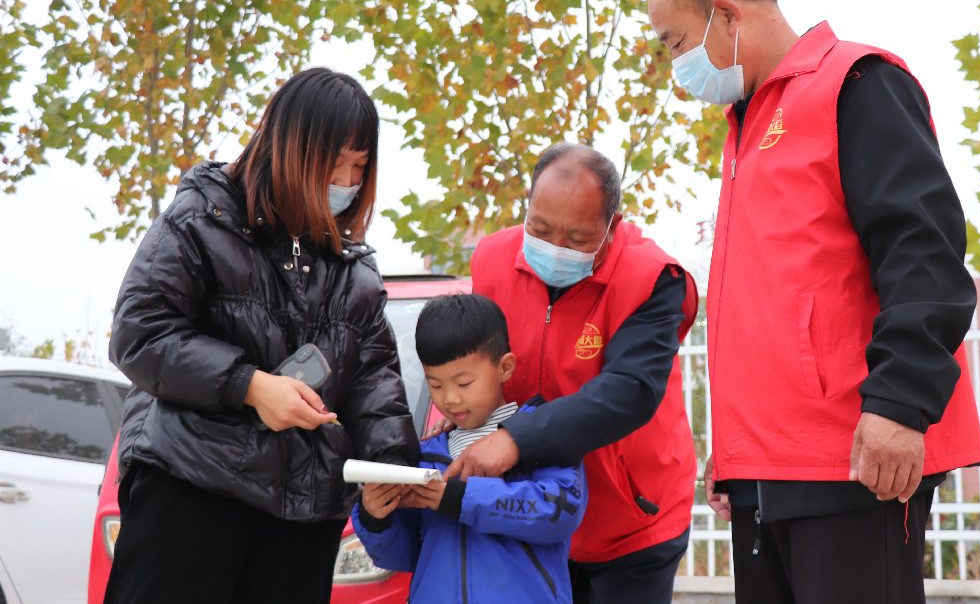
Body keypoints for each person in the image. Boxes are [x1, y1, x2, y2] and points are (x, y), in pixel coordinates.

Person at [648, 0, 980, 603]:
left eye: (674, 40)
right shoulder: (750, 118)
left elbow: (923, 251)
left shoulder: (855, 84)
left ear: (725, 14)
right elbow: (775, 298)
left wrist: (899, 403)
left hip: (855, 457)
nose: (673, 63)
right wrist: (740, 444)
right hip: (773, 465)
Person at [103, 67, 419, 604]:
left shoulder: (354, 272)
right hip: (192, 486)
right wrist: (250, 386)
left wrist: (395, 471)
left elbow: (376, 386)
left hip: (303, 514)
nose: (345, 181)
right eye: (334, 162)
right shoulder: (199, 221)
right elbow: (139, 333)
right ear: (289, 147)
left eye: (358, 167)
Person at [447, 143, 698, 603]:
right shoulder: (491, 260)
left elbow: (629, 391)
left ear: (612, 227)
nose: (554, 248)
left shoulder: (652, 277)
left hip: (630, 519)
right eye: (539, 230)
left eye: (577, 239)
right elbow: (479, 366)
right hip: (528, 510)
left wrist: (516, 439)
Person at [353, 293, 587, 603]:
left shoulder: (544, 436)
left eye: (464, 383)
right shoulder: (423, 456)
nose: (450, 399)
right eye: (435, 385)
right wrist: (374, 518)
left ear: (505, 367)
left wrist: (459, 498)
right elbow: (404, 556)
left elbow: (559, 513)